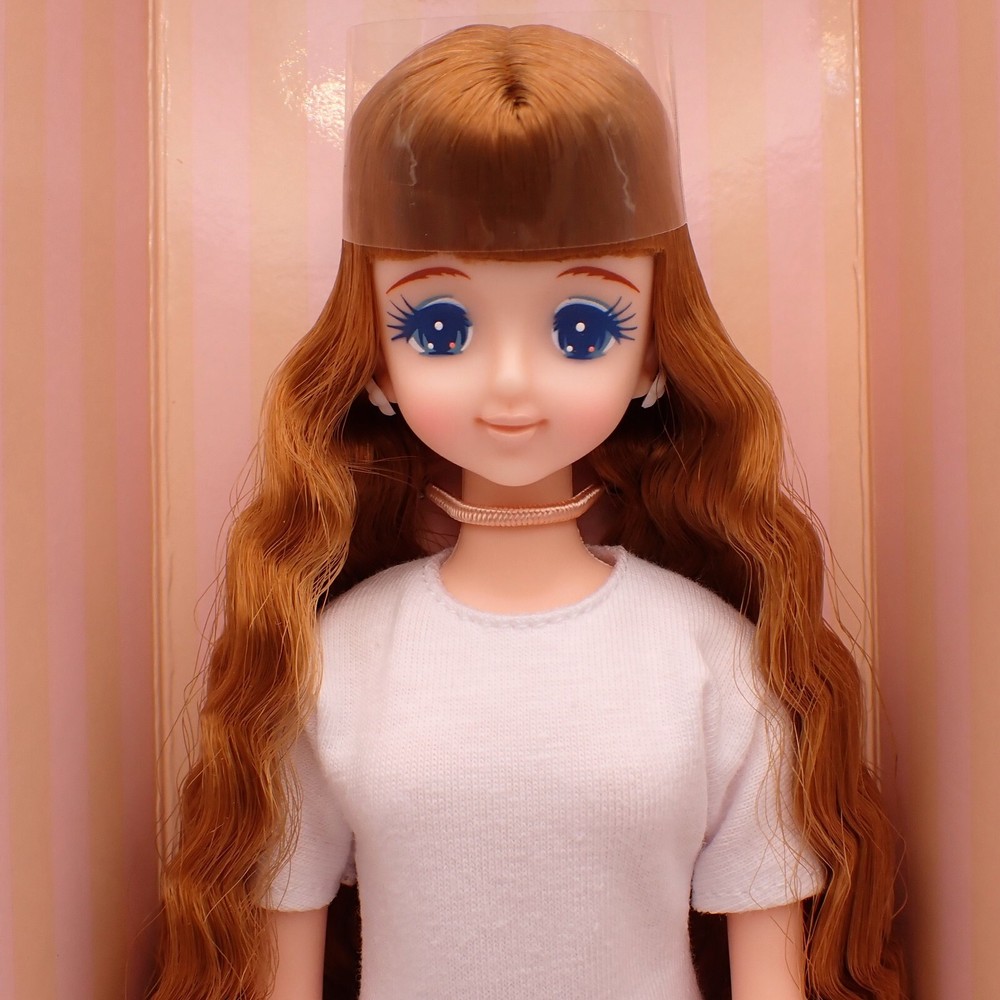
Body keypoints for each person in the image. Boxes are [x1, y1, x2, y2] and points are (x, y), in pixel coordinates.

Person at [152, 22, 903, 1000]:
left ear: (653, 355)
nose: (510, 382)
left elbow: (771, 976)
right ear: (373, 359)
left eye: (581, 328)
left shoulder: (712, 659)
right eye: (440, 326)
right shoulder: (334, 664)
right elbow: (280, 971)